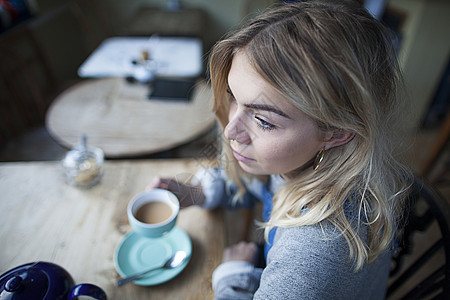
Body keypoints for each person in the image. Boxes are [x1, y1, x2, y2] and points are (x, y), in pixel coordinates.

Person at [150, 0, 411, 298]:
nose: (230, 130)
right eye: (233, 96)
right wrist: (198, 193)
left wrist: (233, 279)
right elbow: (258, 183)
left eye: (262, 120)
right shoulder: (301, 160)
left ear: (337, 132)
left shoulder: (314, 254)